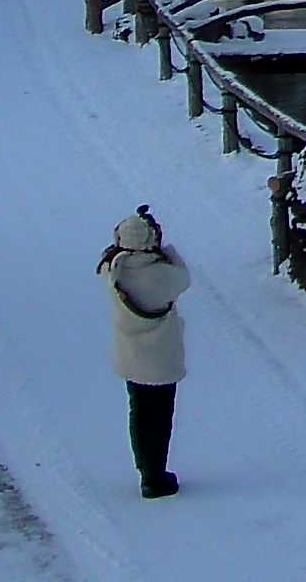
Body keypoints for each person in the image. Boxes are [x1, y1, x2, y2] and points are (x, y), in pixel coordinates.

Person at [99, 205, 192, 497]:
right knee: (160, 417)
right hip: (161, 359)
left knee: (139, 412)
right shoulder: (162, 275)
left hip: (131, 357)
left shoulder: (113, 271)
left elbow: (110, 256)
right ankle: (156, 475)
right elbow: (184, 277)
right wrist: (166, 250)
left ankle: (144, 469)